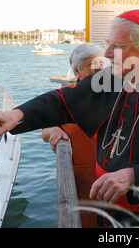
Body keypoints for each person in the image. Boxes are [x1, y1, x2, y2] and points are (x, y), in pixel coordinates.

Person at [0, 9, 139, 227]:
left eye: (116, 46)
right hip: (105, 205)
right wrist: (17, 114)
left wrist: (134, 175)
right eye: (108, 45)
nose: (107, 54)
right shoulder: (110, 78)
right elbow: (63, 100)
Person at [41, 42, 105, 228]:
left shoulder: (115, 95)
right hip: (83, 184)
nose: (100, 68)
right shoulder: (63, 97)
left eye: (101, 63)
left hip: (113, 181)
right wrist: (54, 130)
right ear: (77, 71)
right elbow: (44, 131)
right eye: (93, 64)